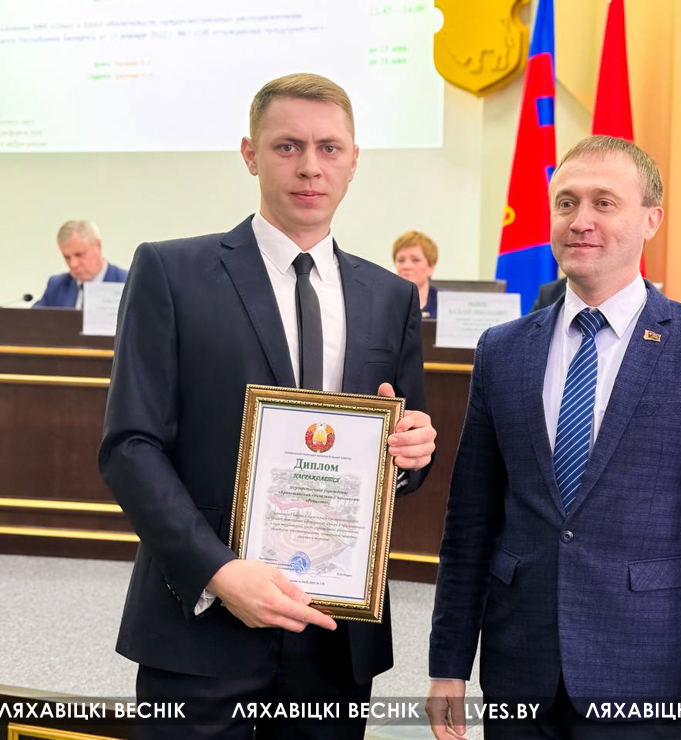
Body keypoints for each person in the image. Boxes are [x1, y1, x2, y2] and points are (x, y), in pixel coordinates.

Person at [99, 73, 436, 739]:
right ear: (250, 154)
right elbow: (130, 446)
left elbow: (403, 451)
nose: (310, 166)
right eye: (287, 146)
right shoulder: (171, 272)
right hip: (201, 624)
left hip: (335, 631)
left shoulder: (390, 297)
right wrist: (219, 572)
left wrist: (410, 454)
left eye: (329, 148)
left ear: (353, 161)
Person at [427, 136, 681, 739]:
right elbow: (469, 525)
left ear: (651, 220)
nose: (580, 220)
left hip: (647, 674)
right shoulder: (502, 350)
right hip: (518, 669)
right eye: (566, 202)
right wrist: (449, 664)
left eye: (604, 203)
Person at [33, 220, 127, 308]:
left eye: (79, 255)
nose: (73, 264)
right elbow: (33, 318)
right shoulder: (57, 286)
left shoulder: (126, 283)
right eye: (67, 257)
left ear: (98, 246)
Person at [393, 230, 439, 318]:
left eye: (415, 260)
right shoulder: (384, 301)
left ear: (431, 266)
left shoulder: (445, 303)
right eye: (401, 260)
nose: (406, 266)